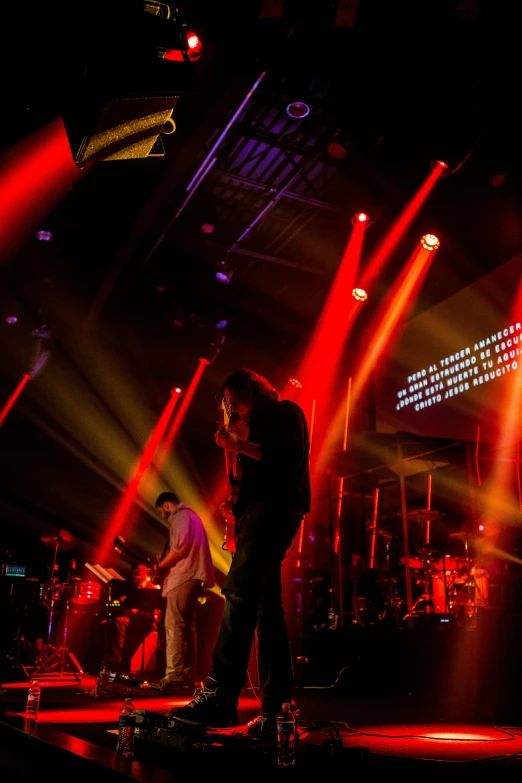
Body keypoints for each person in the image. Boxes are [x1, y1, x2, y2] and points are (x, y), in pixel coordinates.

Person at [170, 368, 311, 736]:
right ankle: (277, 707)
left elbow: (288, 461)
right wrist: (234, 497)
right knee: (267, 608)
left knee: (238, 591)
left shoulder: (285, 413)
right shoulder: (245, 429)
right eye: (226, 402)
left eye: (234, 398)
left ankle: (220, 694)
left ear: (254, 391)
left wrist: (238, 445)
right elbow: (242, 479)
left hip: (276, 510)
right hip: (255, 514)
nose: (231, 406)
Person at [151, 491, 215, 691]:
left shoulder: (180, 516)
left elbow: (179, 549)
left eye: (162, 512)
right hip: (194, 576)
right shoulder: (193, 516)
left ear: (167, 505)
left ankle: (175, 674)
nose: (164, 516)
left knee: (174, 625)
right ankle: (187, 673)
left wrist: (160, 567)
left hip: (183, 577)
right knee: (188, 626)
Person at [104, 563, 162, 675]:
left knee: (119, 622)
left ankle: (115, 664)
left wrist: (137, 611)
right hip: (135, 621)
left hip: (146, 622)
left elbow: (153, 614)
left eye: (137, 573)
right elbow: (119, 607)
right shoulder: (134, 589)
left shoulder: (151, 589)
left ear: (146, 572)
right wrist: (119, 603)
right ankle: (111, 664)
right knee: (112, 623)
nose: (135, 577)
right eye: (133, 574)